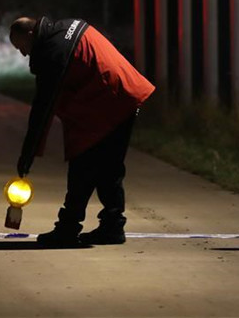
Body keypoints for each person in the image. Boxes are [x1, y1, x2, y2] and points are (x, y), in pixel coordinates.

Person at [10, 16, 155, 247]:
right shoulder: (66, 26)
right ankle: (112, 226)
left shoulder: (53, 53)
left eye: (22, 47)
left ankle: (68, 228)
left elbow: (42, 109)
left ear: (30, 35)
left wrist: (27, 156)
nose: (24, 54)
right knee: (109, 167)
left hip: (107, 101)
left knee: (83, 165)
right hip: (125, 93)